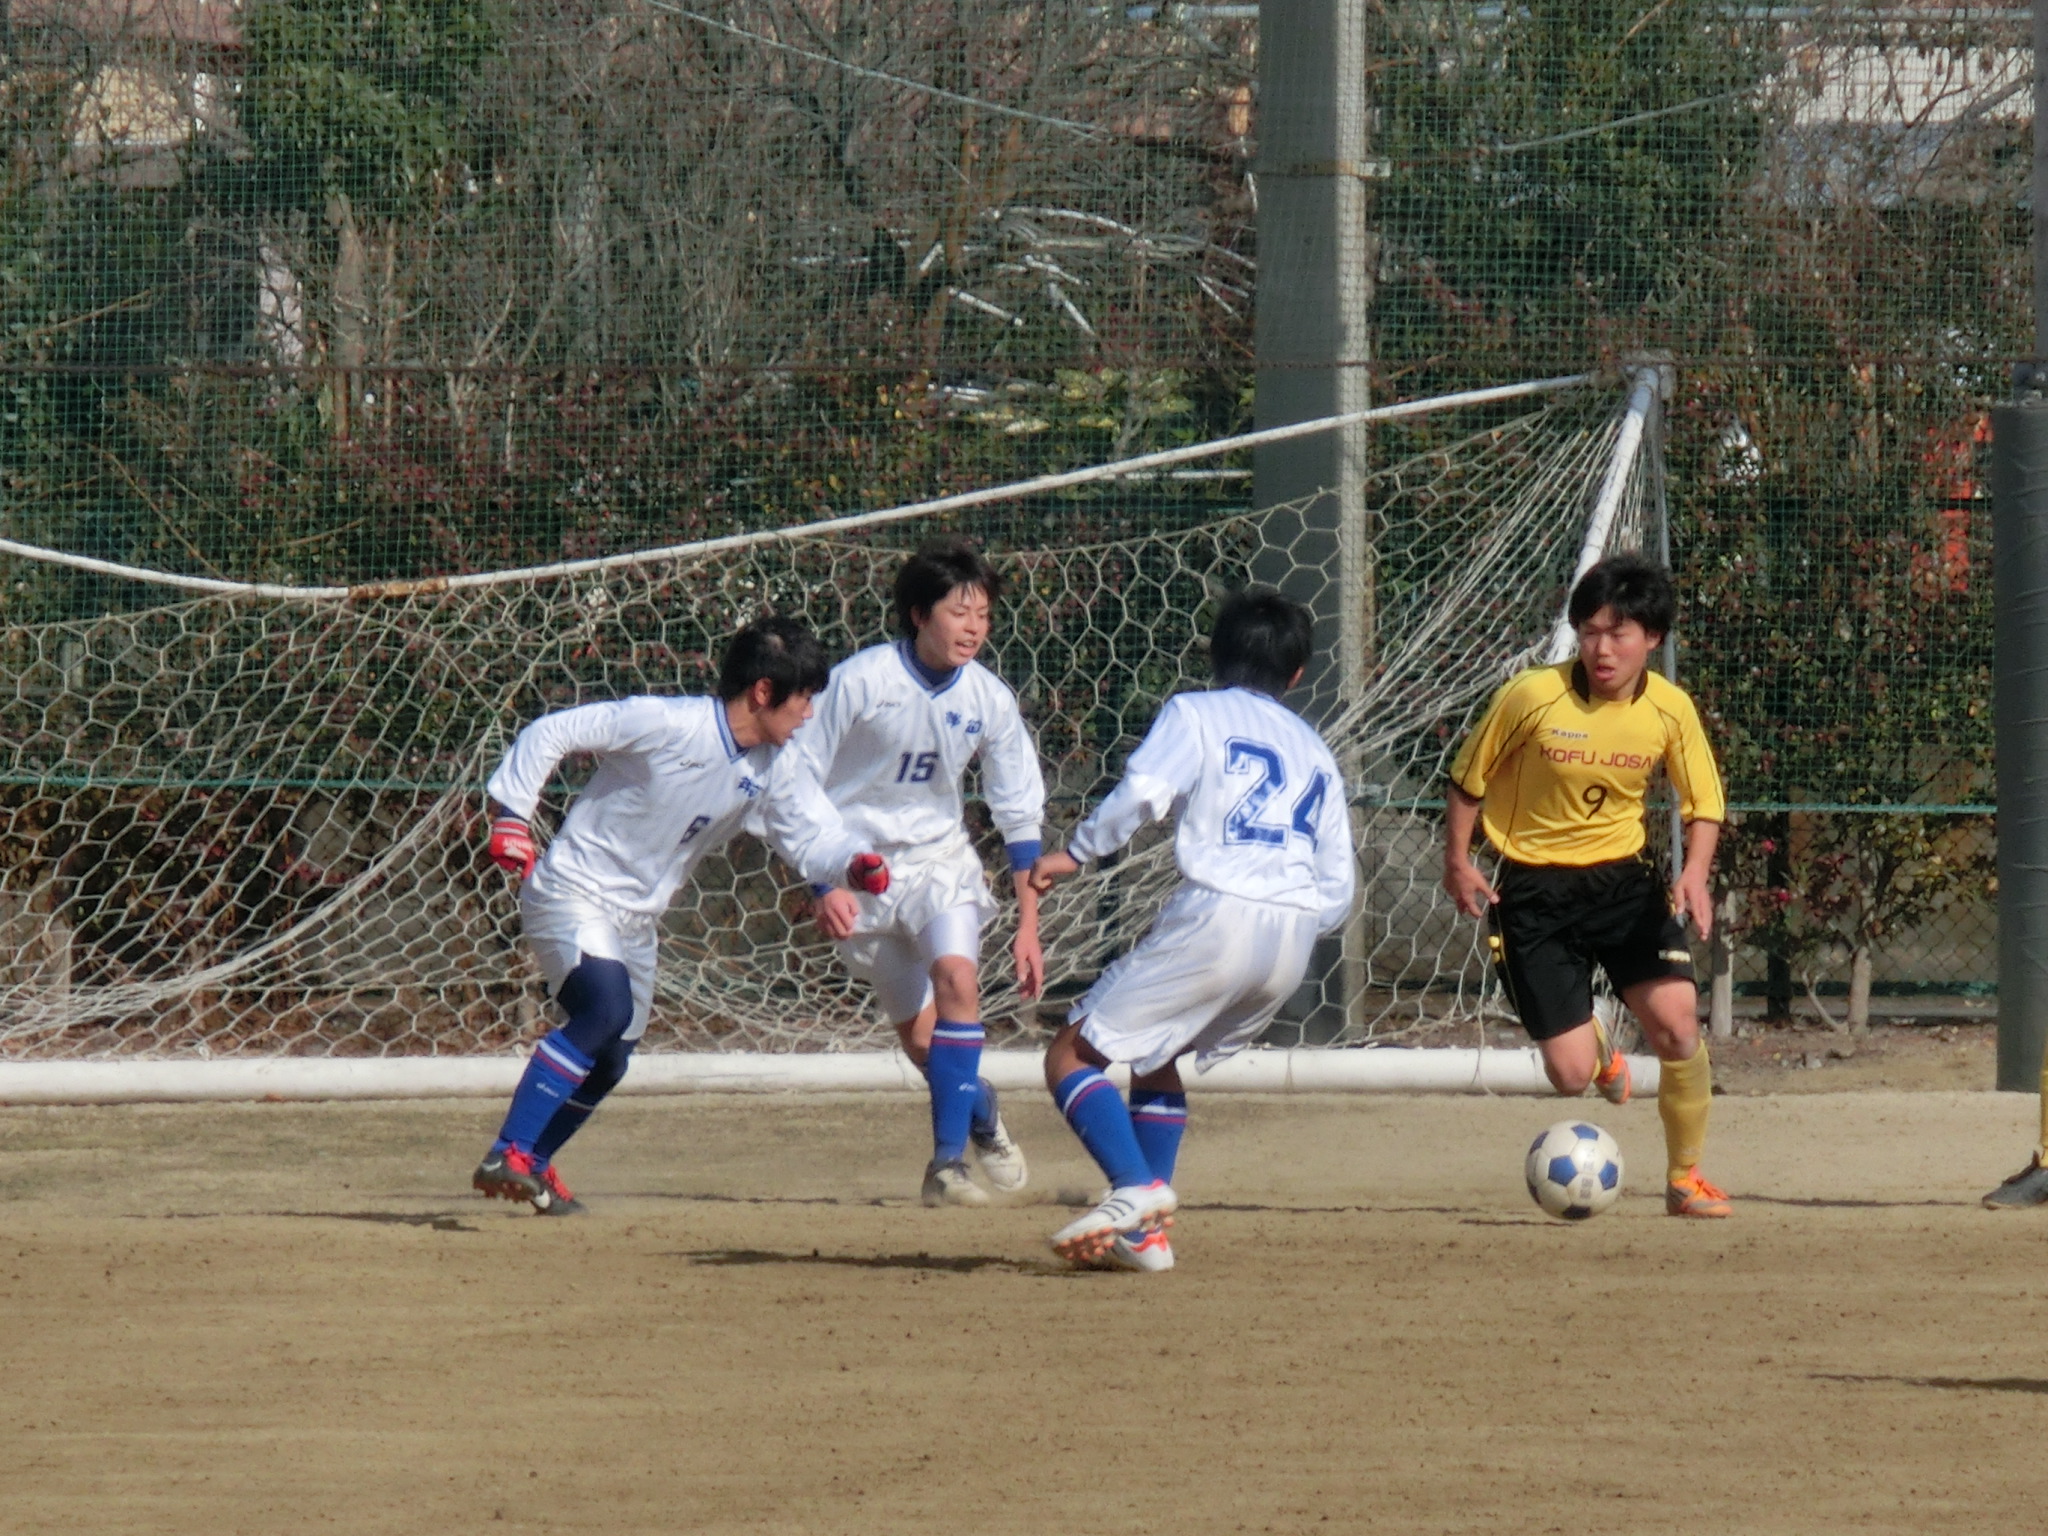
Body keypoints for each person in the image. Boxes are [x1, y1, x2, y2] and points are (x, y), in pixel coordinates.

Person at [472, 617, 888, 1214]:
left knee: (612, 1058)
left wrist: (856, 864)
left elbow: (811, 834)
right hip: (572, 891)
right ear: (764, 692)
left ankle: (532, 1165)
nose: (810, 715)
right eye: (804, 698)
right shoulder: (665, 723)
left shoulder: (777, 766)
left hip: (637, 922)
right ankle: (507, 1150)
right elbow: (551, 731)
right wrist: (512, 814)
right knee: (604, 1009)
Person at [1029, 589, 1356, 1270]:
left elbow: (1143, 795)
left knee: (1070, 1054)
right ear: (1295, 676)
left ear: (1214, 655)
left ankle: (1135, 1188)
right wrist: (1291, 922)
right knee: (1157, 1056)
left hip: (1220, 913)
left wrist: (1075, 852)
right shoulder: (1315, 747)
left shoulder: (1195, 712)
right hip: (1295, 937)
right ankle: (1146, 1240)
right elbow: (1339, 887)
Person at [1442, 551, 1731, 1218]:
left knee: (1679, 1024)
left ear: (1651, 638)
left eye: (1618, 633)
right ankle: (1598, 1052)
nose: (1602, 649)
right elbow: (1466, 781)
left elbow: (1704, 804)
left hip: (1623, 884)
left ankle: (1685, 1178)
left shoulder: (1669, 709)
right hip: (1531, 891)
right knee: (1570, 1079)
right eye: (1590, 631)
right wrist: (1458, 860)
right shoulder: (1531, 696)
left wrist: (1693, 873)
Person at [764, 537, 1043, 1207]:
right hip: (861, 876)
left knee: (957, 978)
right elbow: (794, 781)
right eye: (958, 612)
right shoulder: (861, 682)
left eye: (983, 614)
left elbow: (1020, 814)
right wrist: (822, 883)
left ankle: (946, 1167)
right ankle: (982, 1116)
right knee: (927, 1049)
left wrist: (1029, 923)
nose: (973, 627)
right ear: (919, 614)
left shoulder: (989, 698)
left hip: (939, 866)